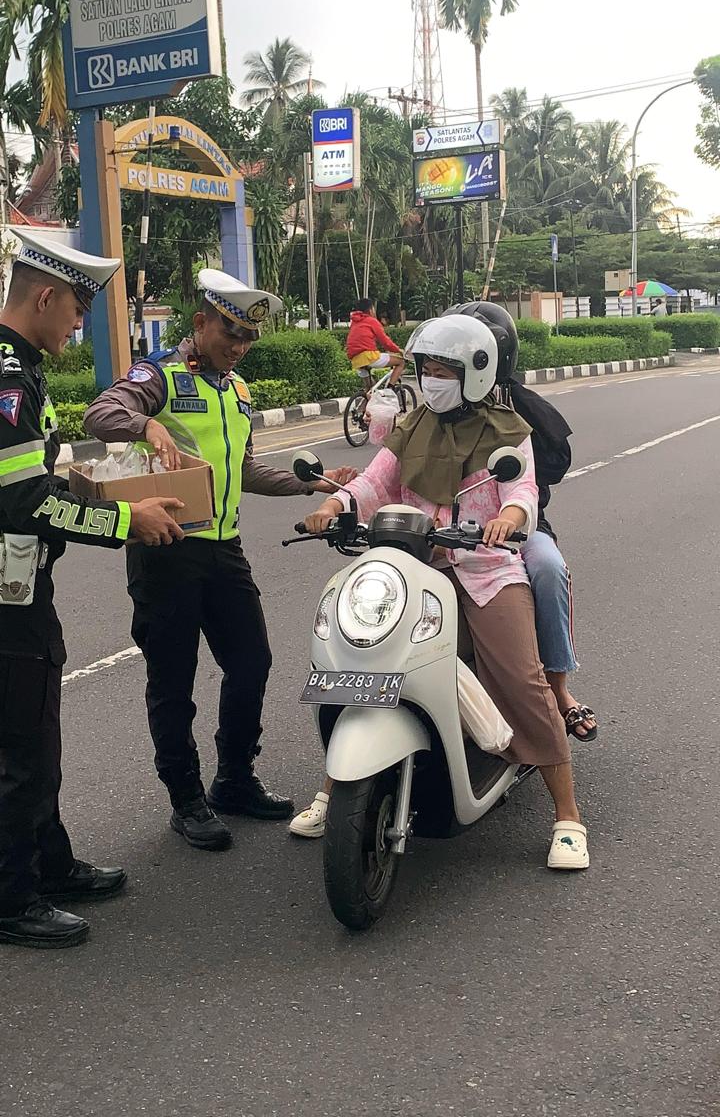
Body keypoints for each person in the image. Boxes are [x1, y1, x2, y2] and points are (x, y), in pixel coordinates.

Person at [291, 314, 590, 870]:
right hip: (415, 568)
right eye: (426, 368)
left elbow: (521, 488)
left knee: (522, 680)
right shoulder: (412, 425)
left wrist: (513, 516)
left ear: (475, 372)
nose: (431, 379)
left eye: (443, 370)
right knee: (362, 667)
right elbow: (376, 480)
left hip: (486, 568)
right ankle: (332, 791)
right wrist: (334, 506)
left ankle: (567, 816)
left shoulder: (507, 432)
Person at [85, 269, 356, 853]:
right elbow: (100, 415)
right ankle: (186, 800)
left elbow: (245, 469)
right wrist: (147, 421)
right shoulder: (159, 374)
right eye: (230, 332)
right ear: (201, 322)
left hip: (224, 550)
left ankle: (234, 778)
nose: (238, 346)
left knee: (252, 661)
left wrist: (311, 486)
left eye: (248, 338)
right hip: (167, 550)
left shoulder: (236, 391)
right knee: (173, 680)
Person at [0, 230, 184, 950]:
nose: (79, 322)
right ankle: (13, 899)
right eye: (77, 307)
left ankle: (48, 863)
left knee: (34, 733)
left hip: (20, 590)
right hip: (8, 600)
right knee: (23, 750)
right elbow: (21, 502)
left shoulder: (18, 367)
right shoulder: (9, 377)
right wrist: (122, 519)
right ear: (45, 296)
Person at [448, 301, 597, 743]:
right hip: (444, 530)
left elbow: (553, 465)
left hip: (516, 530)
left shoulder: (518, 407)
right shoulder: (435, 408)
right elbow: (392, 468)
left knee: (549, 569)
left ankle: (558, 689)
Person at [346, 298, 404, 389]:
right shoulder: (372, 321)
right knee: (401, 362)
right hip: (369, 356)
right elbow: (385, 342)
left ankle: (365, 400)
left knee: (370, 389)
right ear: (370, 310)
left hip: (355, 359)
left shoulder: (354, 322)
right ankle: (390, 389)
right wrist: (398, 350)